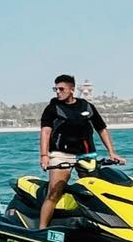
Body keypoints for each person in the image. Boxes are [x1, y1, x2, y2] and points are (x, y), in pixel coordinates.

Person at [37, 75, 126, 229]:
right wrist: (44, 156)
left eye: (61, 89)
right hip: (61, 154)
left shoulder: (87, 106)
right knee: (54, 192)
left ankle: (106, 227)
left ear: (72, 90)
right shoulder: (52, 108)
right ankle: (41, 229)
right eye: (55, 89)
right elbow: (45, 132)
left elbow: (101, 129)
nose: (57, 92)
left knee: (96, 191)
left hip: (87, 154)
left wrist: (112, 152)